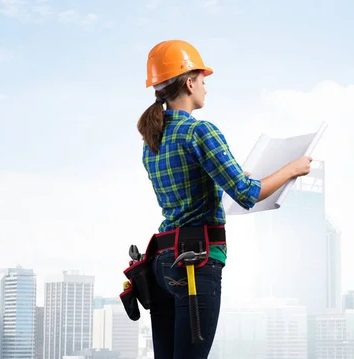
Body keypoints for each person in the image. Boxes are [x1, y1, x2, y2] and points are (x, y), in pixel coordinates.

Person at [136, 39, 312, 359]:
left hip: (162, 264)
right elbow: (247, 193)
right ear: (189, 82)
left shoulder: (152, 142)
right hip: (194, 262)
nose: (206, 87)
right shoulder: (199, 132)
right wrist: (292, 169)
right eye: (203, 80)